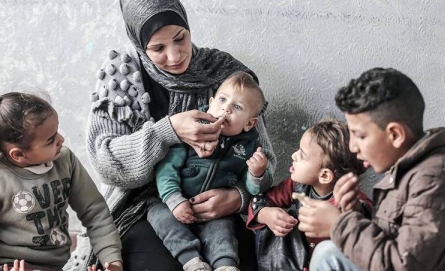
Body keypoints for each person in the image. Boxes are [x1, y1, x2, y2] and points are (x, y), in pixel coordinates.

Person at [65, 0, 276, 270]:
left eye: (181, 39)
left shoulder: (226, 75)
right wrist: (168, 131)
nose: (175, 56)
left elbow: (263, 158)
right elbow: (107, 165)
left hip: (222, 207)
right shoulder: (122, 75)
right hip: (145, 209)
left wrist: (237, 197)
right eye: (158, 48)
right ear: (139, 43)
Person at [299, 68, 445, 270]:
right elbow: (401, 236)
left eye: (360, 135)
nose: (353, 147)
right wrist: (355, 212)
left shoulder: (438, 179)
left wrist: (339, 225)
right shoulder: (416, 166)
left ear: (396, 135)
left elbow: (405, 264)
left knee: (329, 255)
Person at [0, 91, 122, 271]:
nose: (61, 140)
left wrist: (113, 260)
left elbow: (96, 212)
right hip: (5, 265)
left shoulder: (65, 161)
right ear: (19, 155)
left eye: (57, 132)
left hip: (55, 266)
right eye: (51, 140)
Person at [149, 71, 272, 271]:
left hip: (216, 211)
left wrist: (257, 174)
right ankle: (192, 262)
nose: (226, 108)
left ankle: (225, 265)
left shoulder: (249, 147)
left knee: (223, 231)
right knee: (160, 218)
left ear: (250, 123)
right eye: (222, 100)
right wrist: (174, 200)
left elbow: (253, 189)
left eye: (237, 107)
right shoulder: (193, 130)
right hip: (173, 203)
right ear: (211, 101)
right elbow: (166, 168)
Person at [246, 119, 372, 271]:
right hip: (298, 262)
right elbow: (261, 200)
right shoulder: (299, 186)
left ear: (324, 176)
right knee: (275, 221)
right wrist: (265, 214)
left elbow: (364, 243)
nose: (294, 156)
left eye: (303, 155)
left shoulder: (353, 203)